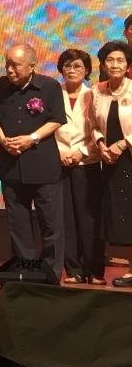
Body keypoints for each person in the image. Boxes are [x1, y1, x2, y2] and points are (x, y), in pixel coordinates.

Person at [0, 44, 65, 283]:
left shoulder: (49, 86)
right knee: (18, 223)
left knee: (50, 224)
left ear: (32, 65)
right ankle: (27, 273)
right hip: (11, 164)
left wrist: (31, 139)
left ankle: (51, 275)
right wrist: (3, 140)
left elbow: (56, 120)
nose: (10, 70)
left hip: (43, 164)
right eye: (7, 64)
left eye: (16, 65)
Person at [55, 49, 103, 283]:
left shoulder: (94, 94)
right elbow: (47, 127)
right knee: (66, 218)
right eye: (67, 66)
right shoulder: (53, 93)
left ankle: (93, 270)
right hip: (60, 161)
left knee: (88, 217)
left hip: (88, 161)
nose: (72, 70)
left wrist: (81, 151)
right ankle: (73, 270)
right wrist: (61, 152)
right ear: (61, 69)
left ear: (86, 71)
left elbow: (100, 129)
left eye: (77, 67)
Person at [87, 40, 132, 287]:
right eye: (110, 60)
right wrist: (102, 144)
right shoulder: (97, 90)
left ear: (127, 66)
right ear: (103, 64)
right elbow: (93, 125)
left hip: (129, 157)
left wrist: (123, 144)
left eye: (120, 60)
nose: (115, 65)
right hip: (110, 161)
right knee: (121, 216)